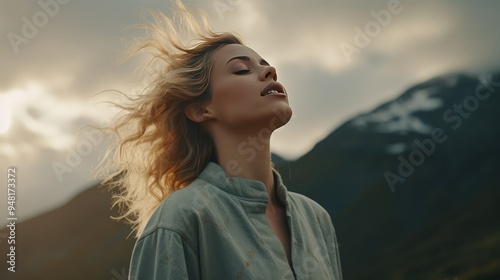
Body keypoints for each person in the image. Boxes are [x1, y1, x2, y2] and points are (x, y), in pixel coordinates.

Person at [100, 1, 342, 279]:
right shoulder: (181, 219)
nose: (269, 71)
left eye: (266, 65)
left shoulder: (316, 220)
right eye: (241, 70)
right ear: (201, 109)